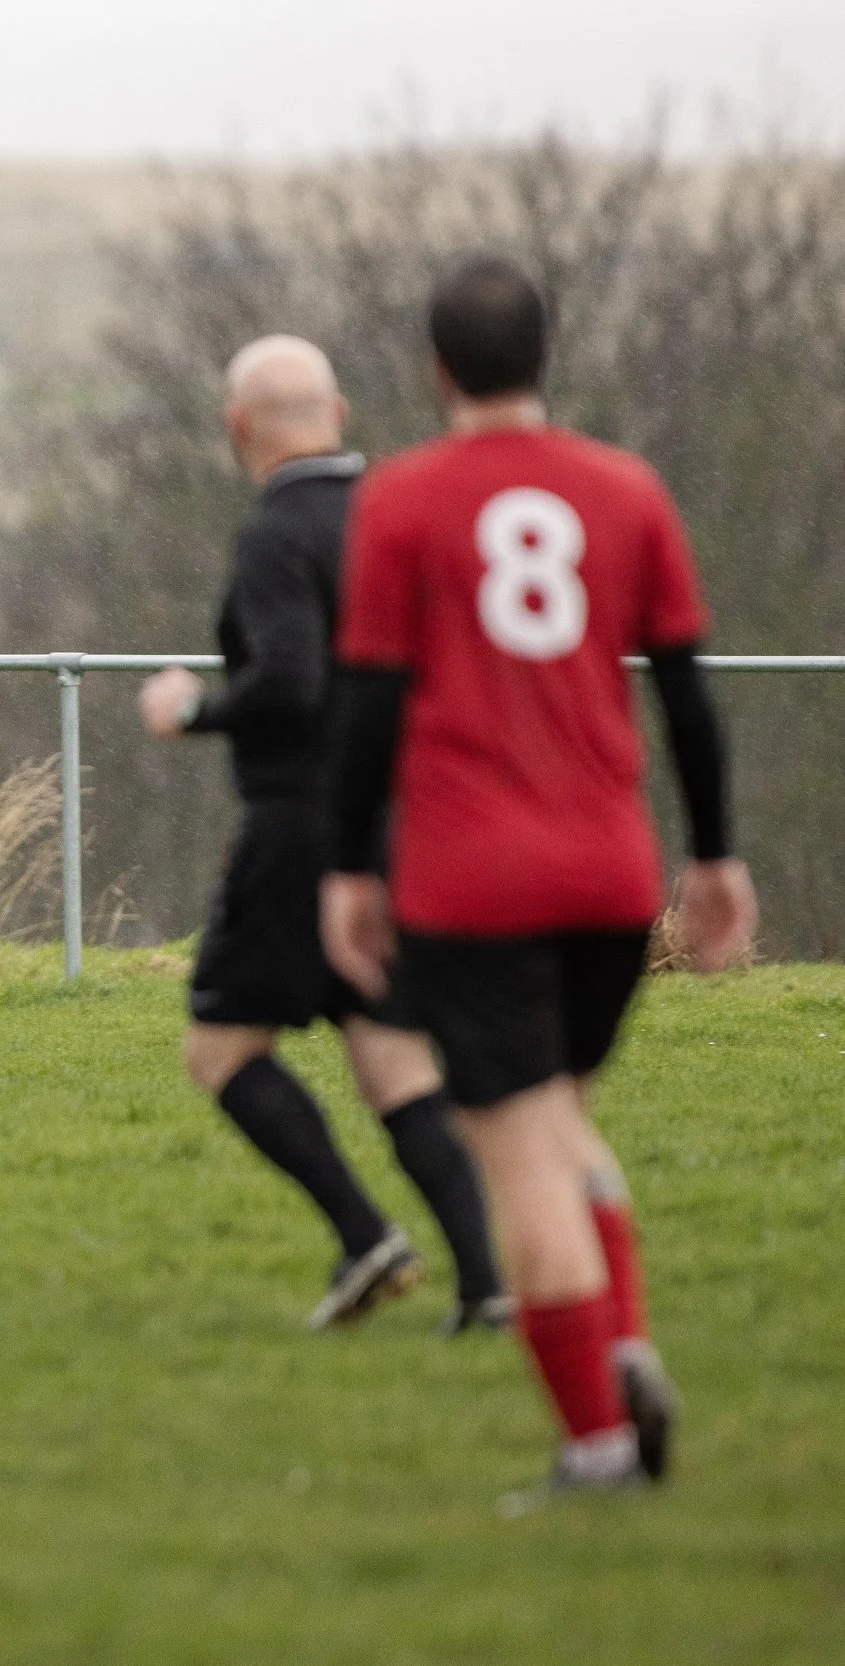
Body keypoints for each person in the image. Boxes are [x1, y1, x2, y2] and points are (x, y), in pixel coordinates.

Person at [323, 257, 755, 1498]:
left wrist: (350, 868)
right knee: (553, 1114)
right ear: (543, 357)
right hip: (610, 877)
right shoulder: (626, 490)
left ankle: (599, 1439)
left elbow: (365, 707)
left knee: (514, 1148)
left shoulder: (403, 503)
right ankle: (619, 1350)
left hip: (473, 883)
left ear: (437, 368)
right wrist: (716, 852)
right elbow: (685, 692)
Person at [139, 336, 507, 1335]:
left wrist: (192, 710)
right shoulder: (402, 512)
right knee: (392, 1056)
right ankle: (486, 1285)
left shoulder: (275, 534)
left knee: (218, 1045)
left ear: (236, 428)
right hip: (402, 820)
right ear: (339, 412)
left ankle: (365, 1235)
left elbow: (291, 681)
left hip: (301, 827)